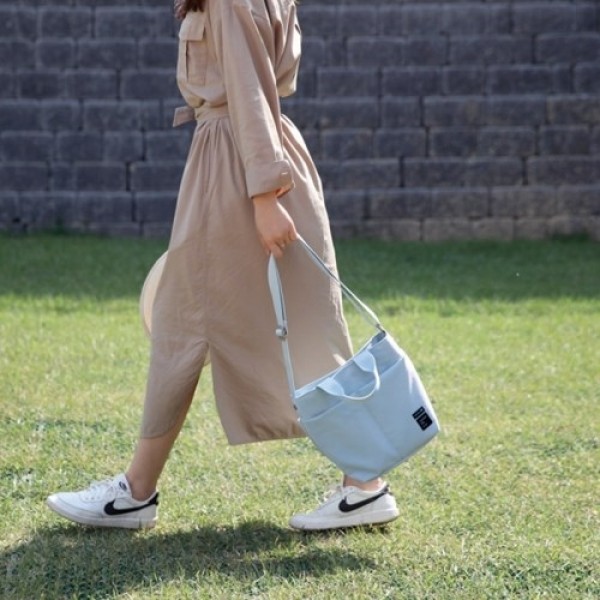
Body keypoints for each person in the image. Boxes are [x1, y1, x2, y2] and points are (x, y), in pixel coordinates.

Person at [46, 0, 399, 531]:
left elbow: (251, 91)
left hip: (237, 167)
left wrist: (264, 197)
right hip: (254, 160)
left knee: (187, 323)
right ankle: (363, 483)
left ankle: (136, 492)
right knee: (298, 324)